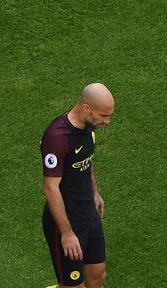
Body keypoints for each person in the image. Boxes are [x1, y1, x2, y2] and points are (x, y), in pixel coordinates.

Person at [40, 83, 113, 288]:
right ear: (86, 108)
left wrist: (95, 193)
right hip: (65, 221)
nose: (106, 121)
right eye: (103, 116)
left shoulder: (88, 129)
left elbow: (86, 161)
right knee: (73, 286)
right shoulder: (57, 137)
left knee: (98, 275)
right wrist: (67, 233)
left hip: (88, 213)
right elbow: (50, 188)